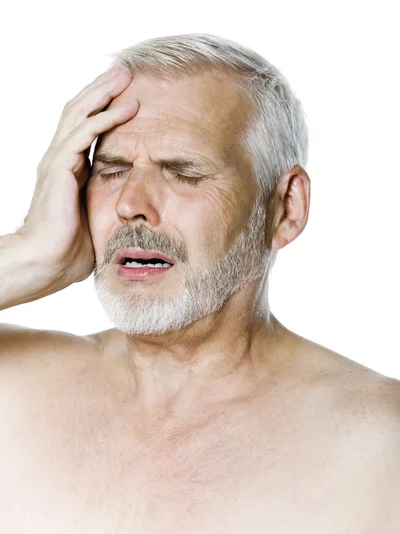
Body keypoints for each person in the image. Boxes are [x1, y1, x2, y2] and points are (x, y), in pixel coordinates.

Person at [0, 33, 398, 533]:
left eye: (183, 173)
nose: (131, 204)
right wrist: (26, 255)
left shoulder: (381, 444)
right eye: (112, 170)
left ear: (287, 208)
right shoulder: (11, 392)